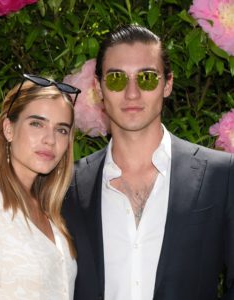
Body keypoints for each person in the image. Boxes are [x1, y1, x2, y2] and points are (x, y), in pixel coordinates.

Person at [63, 24, 234, 300]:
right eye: (117, 78)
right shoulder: (67, 186)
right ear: (99, 87)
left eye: (147, 78)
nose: (132, 93)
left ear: (167, 84)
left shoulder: (222, 176)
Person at [0, 74, 81, 300]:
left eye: (61, 129)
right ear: (9, 129)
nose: (50, 139)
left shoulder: (53, 216)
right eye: (37, 124)